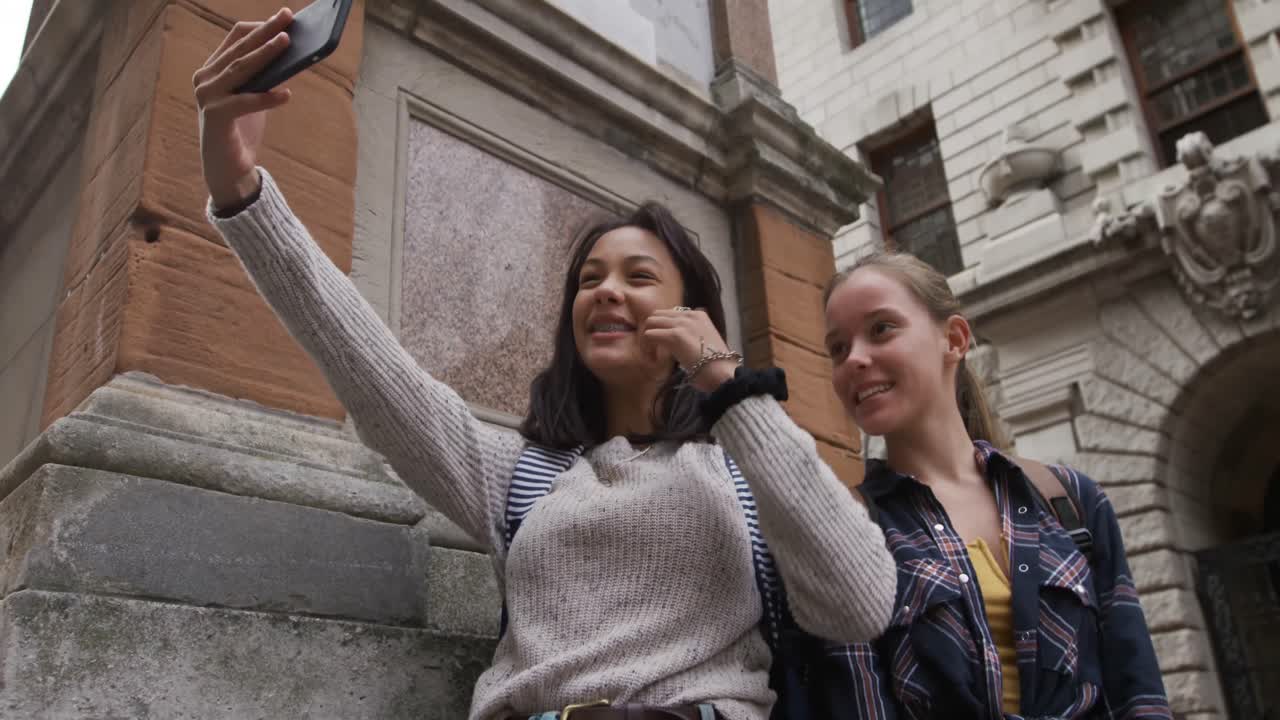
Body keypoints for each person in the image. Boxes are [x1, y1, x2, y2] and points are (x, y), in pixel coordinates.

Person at [192, 9, 897, 720]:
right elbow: (367, 365)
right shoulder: (519, 473)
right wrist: (242, 193)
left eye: (639, 275)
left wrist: (729, 388)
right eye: (589, 280)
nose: (607, 290)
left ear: (694, 309)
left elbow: (861, 602)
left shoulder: (748, 473)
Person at [819, 250, 1171, 719]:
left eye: (881, 329)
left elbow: (1139, 691)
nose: (855, 360)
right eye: (838, 348)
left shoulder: (1070, 500)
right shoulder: (845, 530)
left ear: (955, 339)